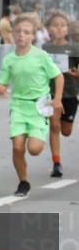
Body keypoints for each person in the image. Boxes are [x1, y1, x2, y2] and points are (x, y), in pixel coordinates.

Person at [0, 13, 64, 196]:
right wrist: (0, 88)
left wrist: (57, 99)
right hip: (18, 106)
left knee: (34, 149)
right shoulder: (9, 59)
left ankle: (40, 135)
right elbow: (2, 82)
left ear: (33, 35)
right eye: (18, 31)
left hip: (39, 107)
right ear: (13, 34)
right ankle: (23, 182)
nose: (21, 35)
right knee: (17, 146)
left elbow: (58, 76)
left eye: (26, 32)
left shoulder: (41, 56)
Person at [43, 11, 77, 178]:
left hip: (70, 94)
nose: (59, 28)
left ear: (67, 29)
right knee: (54, 126)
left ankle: (57, 161)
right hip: (51, 94)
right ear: (49, 28)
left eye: (62, 25)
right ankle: (57, 163)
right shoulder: (45, 48)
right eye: (55, 25)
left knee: (66, 131)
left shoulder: (74, 48)